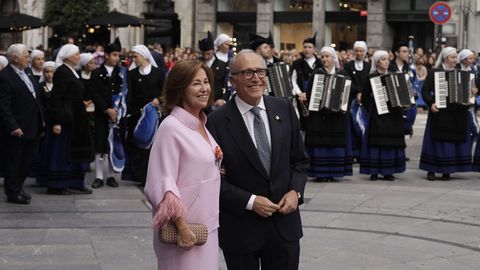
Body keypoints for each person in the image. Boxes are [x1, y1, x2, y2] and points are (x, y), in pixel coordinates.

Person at [206, 50, 309, 270]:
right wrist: (251, 202)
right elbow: (212, 181)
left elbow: (299, 161)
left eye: (261, 71)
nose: (256, 78)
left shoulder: (284, 108)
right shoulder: (216, 123)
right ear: (233, 80)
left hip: (284, 228)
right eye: (247, 72)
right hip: (241, 231)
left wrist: (295, 192)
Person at [144, 59, 221, 270]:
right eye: (196, 83)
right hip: (185, 232)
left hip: (206, 227)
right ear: (180, 88)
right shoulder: (171, 128)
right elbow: (161, 182)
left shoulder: (201, 124)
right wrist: (183, 228)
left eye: (206, 82)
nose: (204, 88)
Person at [41, 44, 94, 195]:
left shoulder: (72, 71)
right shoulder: (63, 72)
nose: (79, 56)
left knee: (75, 150)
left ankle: (75, 182)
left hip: (77, 117)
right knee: (62, 151)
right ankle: (57, 184)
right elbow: (56, 98)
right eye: (76, 54)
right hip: (66, 118)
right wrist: (57, 121)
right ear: (68, 56)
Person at [419, 47, 476, 180]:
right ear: (445, 58)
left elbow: (468, 94)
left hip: (456, 113)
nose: (455, 60)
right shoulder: (435, 72)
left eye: (456, 57)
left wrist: (472, 94)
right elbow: (425, 91)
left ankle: (447, 170)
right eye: (452, 57)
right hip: (439, 112)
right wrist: (431, 103)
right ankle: (431, 170)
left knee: (451, 141)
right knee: (436, 141)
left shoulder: (461, 73)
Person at [0, 44, 43, 204]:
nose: (28, 59)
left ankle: (18, 187)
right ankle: (12, 192)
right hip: (17, 127)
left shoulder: (28, 73)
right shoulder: (5, 76)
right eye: (25, 56)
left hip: (33, 125)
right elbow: (3, 106)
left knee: (29, 159)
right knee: (14, 161)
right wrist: (12, 126)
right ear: (15, 58)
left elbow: (34, 97)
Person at [304, 46, 353, 182]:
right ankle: (320, 173)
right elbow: (309, 94)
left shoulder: (342, 74)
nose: (325, 59)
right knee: (320, 143)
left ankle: (333, 172)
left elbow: (347, 96)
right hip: (319, 116)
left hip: (336, 117)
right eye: (323, 57)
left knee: (334, 143)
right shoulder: (316, 74)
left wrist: (342, 105)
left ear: (333, 58)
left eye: (327, 56)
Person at [359, 50, 407, 181]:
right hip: (377, 115)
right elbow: (365, 98)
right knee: (376, 142)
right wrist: (372, 110)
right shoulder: (371, 77)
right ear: (377, 62)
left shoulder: (394, 76)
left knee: (390, 143)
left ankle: (388, 171)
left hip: (394, 115)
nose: (386, 61)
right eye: (383, 59)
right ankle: (373, 171)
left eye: (387, 59)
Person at [125, 44, 165, 185]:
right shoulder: (132, 74)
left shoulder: (158, 73)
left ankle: (151, 175)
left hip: (154, 114)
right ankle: (138, 175)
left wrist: (158, 100)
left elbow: (165, 91)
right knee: (138, 144)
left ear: (144, 56)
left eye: (136, 56)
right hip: (137, 114)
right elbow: (129, 95)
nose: (134, 59)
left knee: (152, 145)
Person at [90, 38, 124, 188]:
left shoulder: (122, 73)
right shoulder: (97, 72)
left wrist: (117, 110)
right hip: (101, 114)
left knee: (113, 145)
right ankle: (98, 176)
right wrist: (106, 109)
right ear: (107, 55)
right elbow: (94, 93)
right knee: (100, 145)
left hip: (117, 115)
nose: (117, 58)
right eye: (114, 55)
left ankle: (111, 175)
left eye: (118, 55)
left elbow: (124, 93)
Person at [343, 41, 371, 162]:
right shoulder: (348, 65)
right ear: (354, 52)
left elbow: (369, 81)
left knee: (364, 124)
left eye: (361, 51)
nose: (359, 53)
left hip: (365, 99)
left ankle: (362, 152)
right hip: (351, 98)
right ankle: (353, 152)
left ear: (365, 52)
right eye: (357, 51)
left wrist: (363, 93)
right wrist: (358, 91)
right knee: (353, 125)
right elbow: (347, 80)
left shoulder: (368, 66)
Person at [290, 33, 322, 120]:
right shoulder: (297, 63)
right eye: (305, 47)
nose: (307, 49)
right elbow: (293, 80)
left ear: (314, 49)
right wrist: (299, 93)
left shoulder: (320, 63)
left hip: (316, 97)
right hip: (301, 98)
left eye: (309, 47)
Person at [198, 31, 229, 110]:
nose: (205, 56)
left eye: (208, 53)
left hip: (216, 103)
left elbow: (226, 83)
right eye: (203, 54)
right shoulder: (196, 63)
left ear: (212, 50)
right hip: (199, 102)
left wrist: (223, 98)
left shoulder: (223, 65)